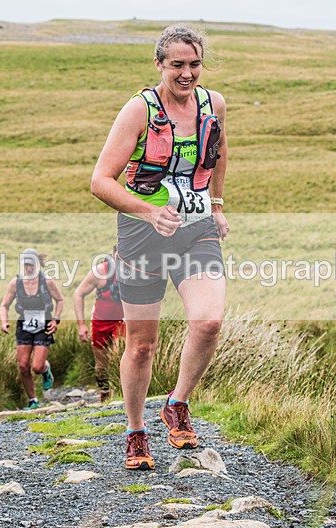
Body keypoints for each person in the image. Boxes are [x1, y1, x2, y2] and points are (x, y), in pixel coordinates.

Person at [90, 24, 229, 470]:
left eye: (194, 64)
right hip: (142, 235)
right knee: (142, 346)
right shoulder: (139, 111)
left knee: (208, 322)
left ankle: (177, 402)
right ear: (159, 65)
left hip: (196, 228)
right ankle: (135, 432)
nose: (187, 74)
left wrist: (218, 204)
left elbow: (219, 153)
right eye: (177, 65)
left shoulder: (214, 104)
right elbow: (100, 182)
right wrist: (149, 212)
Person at [0, 248, 64, 410]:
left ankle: (45, 368)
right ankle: (33, 400)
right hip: (24, 324)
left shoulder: (47, 282)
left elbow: (60, 300)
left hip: (44, 324)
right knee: (22, 366)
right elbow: (4, 305)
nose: (29, 268)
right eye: (26, 264)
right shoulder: (16, 283)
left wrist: (56, 320)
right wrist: (4, 321)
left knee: (36, 367)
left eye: (32, 264)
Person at [73, 247, 125, 403]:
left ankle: (122, 393)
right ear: (114, 253)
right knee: (101, 365)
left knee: (119, 355)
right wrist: (81, 325)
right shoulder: (101, 271)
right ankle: (105, 395)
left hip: (123, 321)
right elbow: (79, 294)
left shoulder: (135, 269)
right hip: (100, 321)